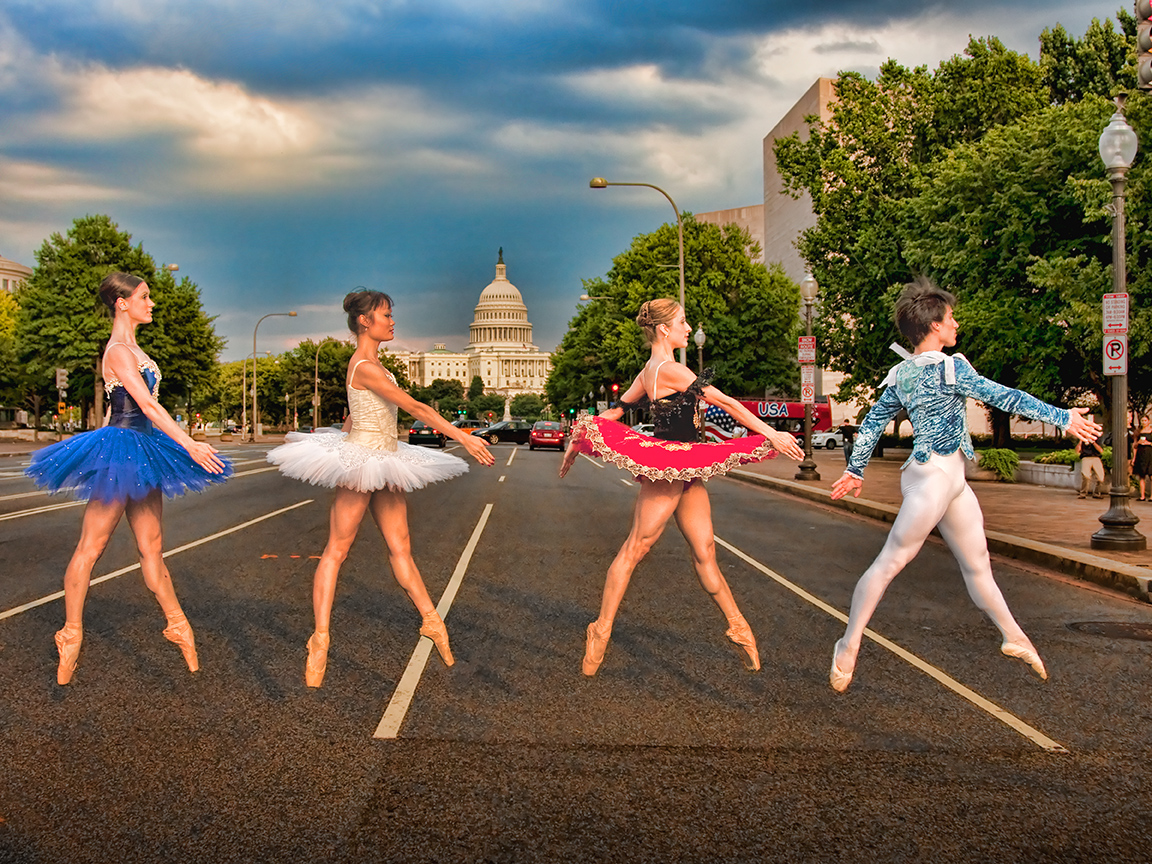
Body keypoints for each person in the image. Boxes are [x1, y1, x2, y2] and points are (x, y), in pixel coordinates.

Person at [828, 277, 1101, 693]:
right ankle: (847, 645)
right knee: (890, 563)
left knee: (978, 564)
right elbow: (1004, 396)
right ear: (934, 325)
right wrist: (1063, 417)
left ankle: (1014, 636)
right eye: (951, 318)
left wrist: (857, 468)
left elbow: (871, 424)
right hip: (933, 478)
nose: (956, 324)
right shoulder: (953, 367)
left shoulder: (900, 373)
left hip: (951, 482)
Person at [559, 299, 805, 676]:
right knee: (635, 549)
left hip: (687, 466)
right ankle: (600, 629)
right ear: (663, 329)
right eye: (682, 322)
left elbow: (616, 410)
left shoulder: (652, 369)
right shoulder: (670, 369)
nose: (688, 329)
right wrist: (772, 433)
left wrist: (579, 438)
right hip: (667, 468)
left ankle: (738, 627)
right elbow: (723, 401)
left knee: (705, 550)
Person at [267, 289, 494, 687]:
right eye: (385, 315)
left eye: (391, 314)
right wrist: (464, 436)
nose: (392, 321)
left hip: (385, 458)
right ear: (364, 322)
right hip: (364, 462)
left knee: (400, 547)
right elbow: (416, 409)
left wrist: (341, 436)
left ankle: (430, 620)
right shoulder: (365, 366)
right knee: (337, 550)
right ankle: (319, 638)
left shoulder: (374, 365)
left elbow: (358, 416)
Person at [25, 272, 232, 684]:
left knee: (152, 548)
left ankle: (178, 624)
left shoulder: (134, 349)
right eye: (144, 296)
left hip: (140, 450)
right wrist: (190, 444)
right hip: (124, 449)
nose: (151, 303)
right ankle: (71, 634)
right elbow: (147, 408)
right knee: (92, 547)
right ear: (122, 303)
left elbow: (126, 409)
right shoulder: (118, 350)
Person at [1077, 431, 1105, 500]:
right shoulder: (1082, 440)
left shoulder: (1097, 439)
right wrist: (1081, 441)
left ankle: (1096, 493)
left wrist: (1093, 442)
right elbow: (1077, 451)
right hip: (1086, 457)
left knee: (1100, 477)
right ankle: (1083, 493)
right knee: (1086, 476)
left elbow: (1101, 450)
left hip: (1096, 457)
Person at [1133, 417, 1152, 501]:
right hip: (1140, 454)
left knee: (1151, 476)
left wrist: (1149, 443)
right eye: (1142, 420)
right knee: (1141, 476)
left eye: (1145, 420)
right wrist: (1138, 443)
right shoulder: (1138, 431)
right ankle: (1142, 496)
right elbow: (1134, 445)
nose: (1144, 422)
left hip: (1150, 454)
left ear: (1148, 421)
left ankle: (1151, 496)